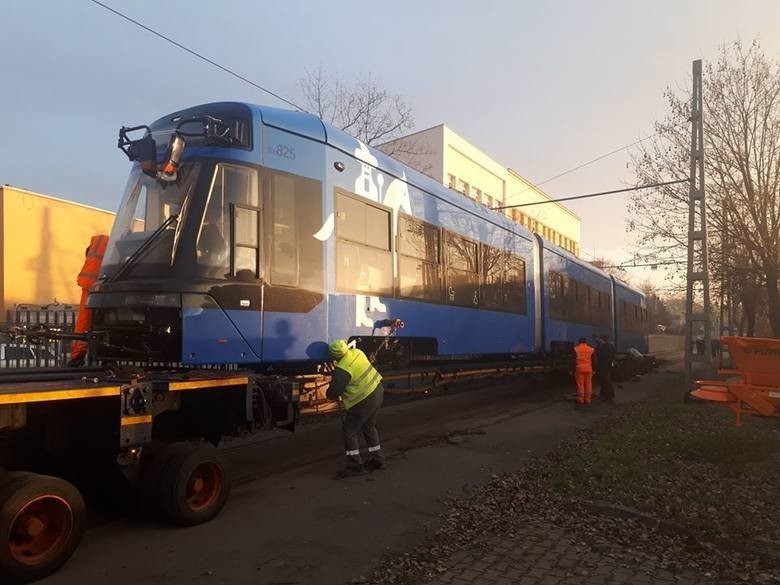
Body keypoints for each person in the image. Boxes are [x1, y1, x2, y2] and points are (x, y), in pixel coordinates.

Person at [326, 339, 386, 477]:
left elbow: (333, 393)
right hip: (377, 390)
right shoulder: (358, 352)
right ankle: (379, 460)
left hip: (364, 400)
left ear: (335, 356)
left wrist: (331, 386)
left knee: (350, 430)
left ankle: (355, 465)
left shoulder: (342, 369)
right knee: (369, 427)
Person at [69, 234, 109, 367]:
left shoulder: (97, 245)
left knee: (84, 322)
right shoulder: (111, 244)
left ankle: (77, 356)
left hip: (89, 285)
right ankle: (105, 355)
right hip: (104, 286)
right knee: (104, 323)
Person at [573, 337, 595, 405]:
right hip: (589, 369)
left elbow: (573, 360)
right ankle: (588, 399)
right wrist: (594, 369)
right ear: (586, 342)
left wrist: (572, 369)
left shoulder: (576, 349)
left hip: (579, 369)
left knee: (580, 384)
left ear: (579, 342)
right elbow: (594, 360)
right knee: (588, 384)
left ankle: (581, 399)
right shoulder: (591, 349)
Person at [595, 335, 616, 403]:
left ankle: (608, 396)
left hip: (604, 366)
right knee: (606, 380)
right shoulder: (611, 346)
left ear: (602, 339)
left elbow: (599, 355)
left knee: (606, 380)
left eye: (600, 339)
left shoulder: (603, 347)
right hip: (608, 366)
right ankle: (605, 394)